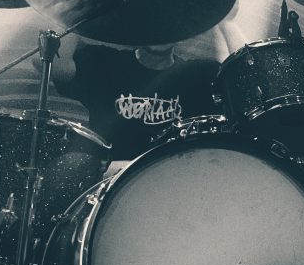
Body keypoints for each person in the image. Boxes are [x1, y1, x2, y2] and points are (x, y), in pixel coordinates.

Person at [45, 20, 246, 162]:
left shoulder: (197, 75)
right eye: (152, 21)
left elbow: (246, 79)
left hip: (170, 180)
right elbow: (59, 68)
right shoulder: (105, 63)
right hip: (107, 180)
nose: (160, 30)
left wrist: (227, 22)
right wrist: (79, 7)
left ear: (182, 35)